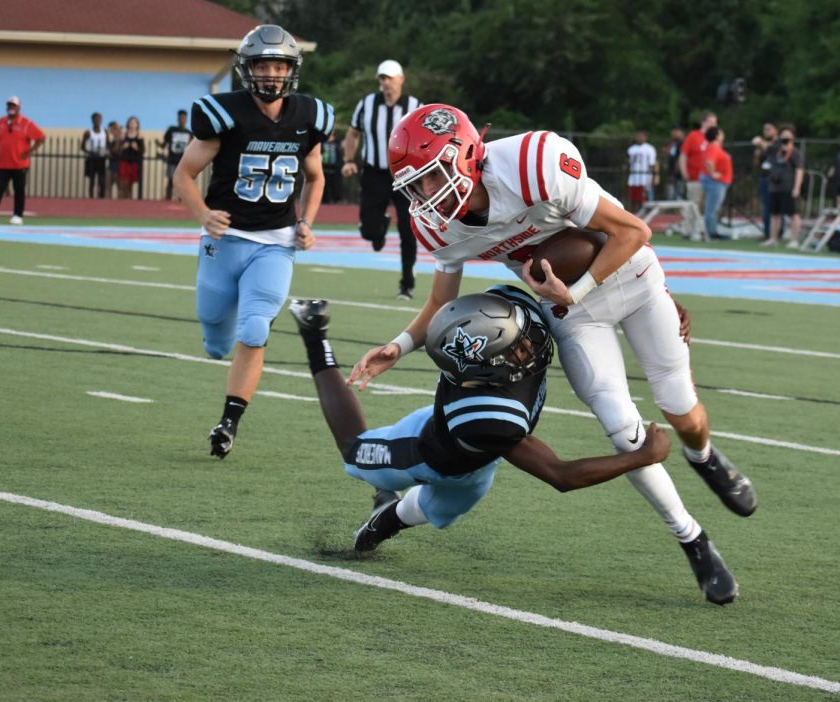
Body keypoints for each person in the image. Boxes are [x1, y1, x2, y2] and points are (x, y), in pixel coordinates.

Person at [348, 104, 756, 604]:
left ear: (468, 155)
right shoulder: (439, 225)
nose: (425, 196)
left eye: (431, 179)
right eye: (415, 186)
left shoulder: (533, 161)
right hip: (574, 313)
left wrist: (580, 290)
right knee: (622, 426)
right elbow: (438, 303)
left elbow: (633, 233)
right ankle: (693, 540)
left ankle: (704, 456)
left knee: (680, 408)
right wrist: (399, 344)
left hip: (630, 280)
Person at [290, 292, 733, 604]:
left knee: (433, 511)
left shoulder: (509, 311)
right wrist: (640, 456)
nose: (530, 345)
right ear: (485, 371)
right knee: (355, 451)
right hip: (425, 451)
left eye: (520, 337)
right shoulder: (488, 416)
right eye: (517, 349)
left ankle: (381, 522)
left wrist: (658, 300)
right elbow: (560, 475)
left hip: (476, 467)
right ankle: (315, 335)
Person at [173, 24, 333, 459]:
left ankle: (229, 422)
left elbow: (315, 177)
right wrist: (204, 214)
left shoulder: (309, 116)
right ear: (247, 69)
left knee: (257, 325)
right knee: (216, 339)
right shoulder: (224, 113)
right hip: (224, 242)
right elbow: (184, 174)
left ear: (291, 70)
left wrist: (307, 221)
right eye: (262, 64)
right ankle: (216, 347)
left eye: (278, 65)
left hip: (276, 242)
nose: (270, 74)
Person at [342, 60, 423, 299]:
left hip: (405, 176)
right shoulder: (366, 104)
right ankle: (378, 231)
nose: (385, 82)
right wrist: (348, 160)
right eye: (381, 78)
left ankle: (406, 284)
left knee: (408, 231)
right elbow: (353, 133)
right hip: (374, 173)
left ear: (401, 79)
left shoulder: (415, 106)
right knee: (368, 230)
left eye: (389, 77)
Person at [0, 96, 45, 226]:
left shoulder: (26, 123)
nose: (11, 108)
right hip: (3, 163)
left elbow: (41, 137)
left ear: (19, 108)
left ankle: (17, 215)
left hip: (19, 164)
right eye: (9, 105)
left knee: (19, 189)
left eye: (14, 106)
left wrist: (30, 151)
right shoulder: (1, 122)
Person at [762, 125, 805, 248]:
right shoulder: (776, 151)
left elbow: (799, 170)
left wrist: (797, 187)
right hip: (774, 186)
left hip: (788, 187)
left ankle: (794, 240)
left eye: (788, 136)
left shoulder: (795, 153)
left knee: (793, 214)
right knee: (774, 214)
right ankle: (773, 238)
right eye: (783, 135)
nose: (785, 138)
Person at [679, 111, 717, 235]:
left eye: (714, 122)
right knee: (693, 205)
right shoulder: (694, 136)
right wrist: (684, 172)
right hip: (695, 177)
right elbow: (683, 155)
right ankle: (688, 231)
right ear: (703, 122)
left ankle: (701, 231)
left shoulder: (714, 138)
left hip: (709, 178)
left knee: (706, 206)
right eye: (711, 122)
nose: (713, 125)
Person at [699, 127, 733, 240]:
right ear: (717, 135)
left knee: (713, 208)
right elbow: (709, 162)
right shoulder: (713, 146)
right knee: (712, 209)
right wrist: (713, 174)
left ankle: (712, 231)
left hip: (719, 183)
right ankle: (712, 233)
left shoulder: (714, 146)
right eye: (721, 133)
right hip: (715, 183)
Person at [752, 122, 778, 241]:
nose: (766, 131)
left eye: (769, 129)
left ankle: (776, 233)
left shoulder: (778, 143)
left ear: (775, 130)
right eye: (765, 129)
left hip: (774, 179)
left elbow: (773, 149)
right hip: (764, 177)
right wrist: (757, 155)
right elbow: (757, 163)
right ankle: (767, 232)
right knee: (766, 207)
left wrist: (761, 143)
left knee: (775, 207)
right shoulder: (763, 146)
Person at [159, 109, 192, 201]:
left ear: (186, 119)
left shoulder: (189, 133)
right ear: (178, 119)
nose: (182, 120)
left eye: (184, 118)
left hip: (183, 161)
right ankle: (168, 199)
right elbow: (164, 144)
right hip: (172, 160)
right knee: (170, 181)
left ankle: (181, 200)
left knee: (182, 182)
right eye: (181, 118)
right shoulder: (171, 130)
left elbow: (191, 147)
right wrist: (159, 146)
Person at [626, 130, 658, 212]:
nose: (639, 138)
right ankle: (634, 214)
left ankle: (647, 213)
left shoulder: (650, 148)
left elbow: (653, 164)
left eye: (641, 136)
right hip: (634, 177)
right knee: (633, 199)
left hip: (645, 177)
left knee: (645, 199)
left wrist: (654, 176)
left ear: (645, 137)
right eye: (638, 136)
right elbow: (629, 163)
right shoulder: (631, 149)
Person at [81, 112, 109, 199]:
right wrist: (90, 151)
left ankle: (101, 197)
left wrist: (104, 152)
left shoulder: (104, 132)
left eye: (99, 119)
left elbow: (107, 144)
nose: (98, 121)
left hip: (101, 158)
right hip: (92, 158)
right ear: (92, 120)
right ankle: (91, 197)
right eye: (96, 119)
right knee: (92, 180)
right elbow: (82, 147)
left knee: (102, 180)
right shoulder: (88, 133)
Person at [118, 116, 144, 199]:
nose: (132, 124)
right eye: (131, 122)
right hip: (124, 161)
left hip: (134, 162)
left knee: (130, 183)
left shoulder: (139, 136)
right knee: (123, 182)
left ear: (137, 125)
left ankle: (129, 200)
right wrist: (123, 147)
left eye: (134, 123)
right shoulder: (123, 135)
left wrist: (136, 147)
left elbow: (142, 150)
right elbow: (118, 149)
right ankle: (123, 198)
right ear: (128, 124)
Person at [321, 127, 343, 203]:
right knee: (324, 185)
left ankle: (335, 200)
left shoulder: (338, 142)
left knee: (335, 184)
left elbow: (340, 154)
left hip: (335, 167)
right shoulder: (322, 141)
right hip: (324, 167)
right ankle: (325, 200)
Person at [662, 127, 685, 200]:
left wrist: (677, 168)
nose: (673, 134)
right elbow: (671, 154)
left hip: (677, 171)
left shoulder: (682, 143)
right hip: (671, 169)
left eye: (675, 132)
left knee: (678, 189)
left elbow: (680, 156)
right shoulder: (672, 143)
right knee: (671, 189)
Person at [106, 121, 122, 199]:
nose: (112, 131)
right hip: (111, 164)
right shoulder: (110, 140)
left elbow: (119, 151)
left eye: (115, 129)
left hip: (119, 164)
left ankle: (120, 206)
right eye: (111, 129)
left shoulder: (121, 140)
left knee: (119, 187)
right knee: (108, 185)